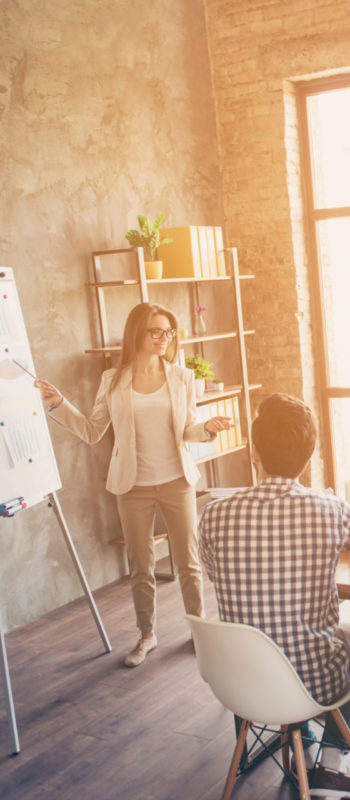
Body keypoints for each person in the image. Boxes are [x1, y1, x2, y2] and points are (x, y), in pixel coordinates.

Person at [35, 301, 231, 667]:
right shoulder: (114, 379)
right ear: (136, 334)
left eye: (168, 332)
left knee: (188, 562)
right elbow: (94, 432)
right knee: (140, 564)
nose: (163, 338)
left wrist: (206, 428)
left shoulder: (182, 377)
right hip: (132, 485)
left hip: (177, 480)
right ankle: (146, 635)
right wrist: (59, 404)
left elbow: (187, 427)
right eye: (156, 331)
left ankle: (199, 631)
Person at [199, 392, 350, 797]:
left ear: (254, 453)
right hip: (312, 682)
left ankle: (299, 747)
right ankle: (334, 761)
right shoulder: (333, 509)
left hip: (238, 683)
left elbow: (214, 575)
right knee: (346, 632)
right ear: (311, 453)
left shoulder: (212, 515)